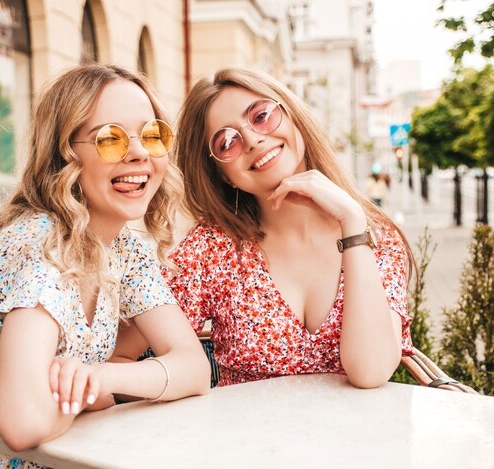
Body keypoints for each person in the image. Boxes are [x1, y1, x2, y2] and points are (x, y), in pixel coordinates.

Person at [0, 64, 210, 467]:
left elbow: (193, 367)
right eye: (110, 138)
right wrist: (90, 394)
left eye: (152, 135)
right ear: (65, 154)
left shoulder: (125, 251)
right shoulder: (39, 246)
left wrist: (103, 379)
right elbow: (22, 423)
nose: (139, 152)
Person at [165, 68, 414, 388]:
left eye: (262, 115)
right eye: (227, 141)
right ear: (221, 173)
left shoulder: (374, 236)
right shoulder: (211, 249)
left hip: (353, 437)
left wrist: (352, 225)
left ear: (293, 116)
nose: (253, 139)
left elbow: (371, 371)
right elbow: (129, 348)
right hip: (242, 437)